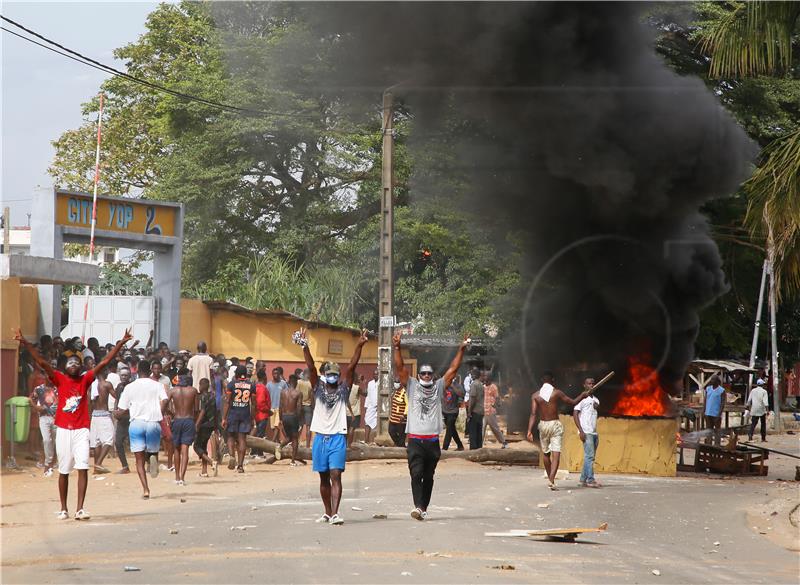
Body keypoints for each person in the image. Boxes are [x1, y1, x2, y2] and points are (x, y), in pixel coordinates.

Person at [14, 328, 131, 520]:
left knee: (83, 467)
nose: (74, 364)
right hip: (63, 431)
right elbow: (42, 362)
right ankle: (63, 508)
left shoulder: (85, 379)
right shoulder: (60, 379)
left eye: (77, 362)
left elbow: (105, 362)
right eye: (71, 362)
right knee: (64, 471)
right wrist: (25, 342)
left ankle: (80, 509)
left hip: (81, 431)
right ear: (65, 367)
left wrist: (121, 343)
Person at [394, 331, 468, 521]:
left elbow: (453, 369)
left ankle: (423, 507)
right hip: (415, 441)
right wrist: (397, 347)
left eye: (429, 373)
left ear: (432, 375)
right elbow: (400, 367)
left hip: (433, 441)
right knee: (415, 473)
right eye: (423, 373)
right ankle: (418, 507)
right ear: (418, 375)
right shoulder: (411, 385)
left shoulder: (439, 387)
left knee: (428, 476)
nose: (426, 376)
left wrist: (461, 349)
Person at [299, 327, 368, 525]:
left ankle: (336, 513)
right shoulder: (317, 388)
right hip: (320, 437)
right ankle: (327, 512)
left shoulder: (344, 390)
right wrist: (305, 346)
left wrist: (359, 345)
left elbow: (352, 366)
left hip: (338, 437)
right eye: (329, 373)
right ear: (324, 375)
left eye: (335, 374)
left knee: (335, 475)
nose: (333, 376)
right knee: (323, 478)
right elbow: (311, 367)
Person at [527, 371, 593, 490]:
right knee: (556, 454)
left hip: (542, 425)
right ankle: (551, 480)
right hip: (555, 425)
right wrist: (582, 396)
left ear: (542, 381)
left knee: (546, 454)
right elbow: (572, 402)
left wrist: (529, 430)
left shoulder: (535, 395)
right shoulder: (556, 393)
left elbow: (533, 414)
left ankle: (550, 479)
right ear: (552, 380)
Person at [115, 359, 168, 499]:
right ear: (150, 370)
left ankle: (146, 489)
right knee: (153, 451)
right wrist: (160, 413)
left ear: (137, 371)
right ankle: (152, 458)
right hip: (153, 422)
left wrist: (117, 414)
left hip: (136, 423)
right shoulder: (158, 385)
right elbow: (165, 400)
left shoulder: (130, 387)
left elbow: (121, 409)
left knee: (139, 460)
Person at [223, 365, 256, 473]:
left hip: (233, 413)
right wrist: (252, 418)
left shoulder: (231, 385)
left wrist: (224, 417)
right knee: (242, 439)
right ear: (246, 374)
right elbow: (254, 404)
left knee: (231, 436)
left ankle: (232, 456)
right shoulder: (251, 385)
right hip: (245, 414)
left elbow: (227, 402)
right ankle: (240, 466)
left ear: (236, 374)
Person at [168, 371, 198, 485]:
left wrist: (171, 413)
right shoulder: (193, 391)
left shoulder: (173, 391)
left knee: (176, 449)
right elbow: (196, 409)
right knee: (185, 449)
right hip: (189, 420)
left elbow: (164, 404)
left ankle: (176, 477)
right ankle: (182, 477)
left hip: (177, 419)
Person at [572, 377, 601, 487]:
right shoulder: (582, 399)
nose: (591, 385)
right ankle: (590, 480)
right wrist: (581, 431)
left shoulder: (596, 400)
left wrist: (597, 407)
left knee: (589, 457)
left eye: (593, 383)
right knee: (590, 456)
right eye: (589, 384)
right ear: (584, 385)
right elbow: (575, 414)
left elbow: (594, 412)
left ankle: (582, 480)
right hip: (586, 432)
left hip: (594, 432)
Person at [29, 378, 58, 477]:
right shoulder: (39, 389)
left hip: (56, 418)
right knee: (46, 440)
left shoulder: (57, 388)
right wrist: (35, 406)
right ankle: (48, 463)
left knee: (55, 441)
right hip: (44, 418)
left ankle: (53, 462)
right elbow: (31, 398)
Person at [194, 377, 218, 477]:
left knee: (196, 446)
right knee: (203, 447)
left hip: (204, 425)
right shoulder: (213, 396)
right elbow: (216, 412)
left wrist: (197, 424)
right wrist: (216, 427)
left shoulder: (202, 397)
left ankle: (211, 462)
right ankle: (204, 471)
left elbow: (202, 411)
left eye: (200, 385)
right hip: (211, 425)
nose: (199, 387)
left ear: (203, 386)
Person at [90, 380, 115, 474]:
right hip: (103, 414)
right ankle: (98, 464)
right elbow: (117, 396)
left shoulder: (91, 385)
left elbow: (89, 402)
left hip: (94, 415)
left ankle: (96, 469)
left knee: (97, 442)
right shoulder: (106, 384)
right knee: (109, 440)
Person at [279, 374, 305, 465]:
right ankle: (293, 461)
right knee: (295, 439)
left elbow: (280, 406)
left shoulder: (283, 392)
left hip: (285, 416)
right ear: (296, 382)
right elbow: (299, 408)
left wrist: (280, 419)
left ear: (289, 382)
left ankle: (280, 446)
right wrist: (300, 420)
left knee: (289, 437)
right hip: (293, 416)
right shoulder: (298, 393)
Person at [111, 367, 132, 474]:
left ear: (130, 376)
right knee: (118, 442)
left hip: (131, 417)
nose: (124, 377)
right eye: (122, 375)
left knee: (138, 443)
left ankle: (146, 463)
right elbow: (117, 400)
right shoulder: (119, 386)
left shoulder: (132, 387)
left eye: (126, 375)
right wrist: (115, 411)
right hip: (121, 418)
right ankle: (125, 466)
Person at [482, 372, 508, 448]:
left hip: (490, 411)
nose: (484, 377)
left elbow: (497, 397)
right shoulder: (482, 387)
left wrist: (494, 405)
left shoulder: (493, 387)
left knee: (495, 428)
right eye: (484, 376)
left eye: (486, 376)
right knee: (482, 429)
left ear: (489, 378)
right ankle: (479, 445)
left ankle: (504, 442)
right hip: (483, 411)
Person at [252, 369, 272, 458]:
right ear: (264, 377)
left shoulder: (255, 387)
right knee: (260, 434)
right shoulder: (262, 388)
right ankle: (259, 453)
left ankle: (254, 451)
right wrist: (268, 411)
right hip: (262, 414)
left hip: (257, 414)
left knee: (258, 433)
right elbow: (261, 404)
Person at [441, 377, 465, 451]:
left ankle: (444, 448)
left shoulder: (457, 386)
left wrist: (453, 386)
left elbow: (461, 394)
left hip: (453, 411)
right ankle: (460, 446)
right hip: (445, 411)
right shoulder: (443, 385)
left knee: (449, 430)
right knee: (452, 429)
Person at [704, 376, 726, 447]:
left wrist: (719, 414)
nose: (711, 381)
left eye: (713, 379)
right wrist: (704, 410)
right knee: (708, 430)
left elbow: (722, 403)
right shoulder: (708, 389)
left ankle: (717, 445)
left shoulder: (722, 390)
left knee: (717, 431)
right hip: (708, 413)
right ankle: (709, 445)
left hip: (716, 414)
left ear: (717, 381)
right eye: (711, 379)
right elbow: (705, 400)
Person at [267, 368, 288, 442]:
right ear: (272, 374)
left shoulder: (283, 384)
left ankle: (272, 442)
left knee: (277, 425)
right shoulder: (269, 385)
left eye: (277, 374)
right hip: (271, 408)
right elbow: (267, 396)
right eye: (274, 374)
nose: (275, 375)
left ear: (279, 374)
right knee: (273, 427)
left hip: (280, 408)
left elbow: (286, 394)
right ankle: (278, 441)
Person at [746, 378, 770, 443]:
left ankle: (750, 436)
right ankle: (763, 438)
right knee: (763, 424)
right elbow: (766, 402)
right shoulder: (764, 392)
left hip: (754, 409)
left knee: (753, 423)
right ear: (762, 385)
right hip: (761, 409)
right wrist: (767, 410)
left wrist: (747, 407)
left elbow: (749, 400)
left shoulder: (753, 390)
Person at [467, 371, 486, 449]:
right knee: (479, 431)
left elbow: (472, 398)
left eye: (472, 374)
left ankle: (473, 449)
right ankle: (479, 448)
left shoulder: (474, 384)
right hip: (481, 411)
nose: (471, 376)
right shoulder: (481, 385)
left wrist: (469, 411)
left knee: (473, 432)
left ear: (475, 375)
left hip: (475, 411)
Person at [388, 377, 408, 447]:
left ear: (401, 384)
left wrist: (404, 415)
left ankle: (401, 447)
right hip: (393, 418)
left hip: (401, 419)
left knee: (401, 435)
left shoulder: (404, 392)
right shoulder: (395, 391)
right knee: (391, 431)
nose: (395, 384)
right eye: (395, 382)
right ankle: (399, 445)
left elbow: (408, 405)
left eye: (397, 382)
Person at [297, 369, 314, 448]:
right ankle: (307, 446)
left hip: (300, 406)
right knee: (308, 427)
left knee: (299, 426)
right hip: (308, 406)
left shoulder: (298, 382)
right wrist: (313, 408)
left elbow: (296, 394)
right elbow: (312, 397)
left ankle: (297, 442)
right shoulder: (310, 384)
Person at [364, 370, 379, 443]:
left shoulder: (381, 383)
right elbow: (368, 395)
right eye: (375, 374)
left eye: (377, 374)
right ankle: (366, 440)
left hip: (378, 407)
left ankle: (377, 441)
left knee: (378, 424)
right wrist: (366, 406)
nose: (376, 375)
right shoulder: (370, 383)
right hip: (370, 406)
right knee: (367, 422)